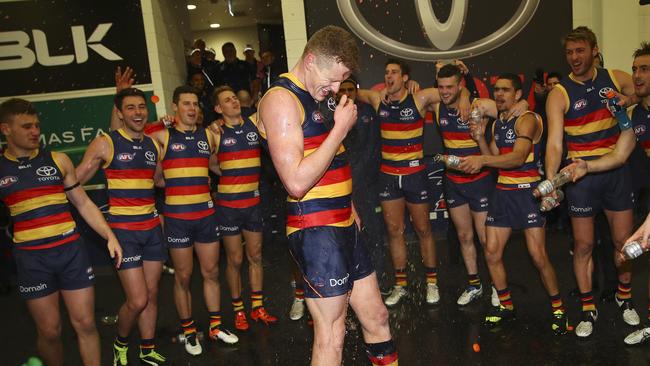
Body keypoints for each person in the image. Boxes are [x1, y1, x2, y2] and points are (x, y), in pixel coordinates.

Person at [257, 25, 397, 366]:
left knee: (377, 317)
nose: (336, 88)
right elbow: (295, 181)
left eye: (343, 79)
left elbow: (327, 159)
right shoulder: (281, 100)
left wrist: (349, 204)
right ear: (310, 60)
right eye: (333, 79)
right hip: (316, 230)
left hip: (345, 224)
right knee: (332, 334)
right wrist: (339, 129)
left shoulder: (316, 97)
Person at [111, 85, 239, 355]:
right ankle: (190, 331)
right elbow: (125, 139)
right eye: (186, 104)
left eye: (195, 104)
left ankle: (215, 326)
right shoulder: (160, 137)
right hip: (178, 219)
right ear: (175, 108)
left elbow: (215, 164)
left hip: (206, 215)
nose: (192, 109)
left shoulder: (209, 136)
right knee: (183, 276)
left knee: (211, 272)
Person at [0, 98, 122, 366]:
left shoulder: (58, 160)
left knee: (86, 324)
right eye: (26, 126)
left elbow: (83, 203)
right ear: (6, 130)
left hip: (71, 252)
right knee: (50, 332)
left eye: (37, 125)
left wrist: (109, 235)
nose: (35, 131)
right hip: (32, 259)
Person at [545, 26, 639, 338]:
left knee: (622, 243)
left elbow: (643, 87)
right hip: (581, 175)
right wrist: (551, 181)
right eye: (570, 52)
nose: (574, 58)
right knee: (584, 244)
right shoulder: (560, 93)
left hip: (614, 171)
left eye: (580, 51)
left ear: (594, 50)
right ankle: (588, 307)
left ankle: (624, 298)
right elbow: (555, 144)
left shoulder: (614, 76)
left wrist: (626, 100)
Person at [356, 58, 470, 307]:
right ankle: (401, 285)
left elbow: (453, 91)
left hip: (415, 174)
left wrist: (464, 99)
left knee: (423, 230)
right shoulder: (378, 99)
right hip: (388, 175)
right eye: (386, 73)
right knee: (395, 232)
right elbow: (355, 92)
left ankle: (431, 283)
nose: (389, 76)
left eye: (394, 72)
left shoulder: (419, 98)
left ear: (405, 78)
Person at [459, 74, 568, 333]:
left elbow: (518, 158)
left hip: (526, 193)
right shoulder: (499, 124)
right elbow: (496, 157)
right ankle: (505, 305)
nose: (499, 94)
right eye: (497, 90)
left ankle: (559, 309)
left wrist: (482, 161)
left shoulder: (527, 119)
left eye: (506, 90)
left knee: (538, 256)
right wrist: (481, 141)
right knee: (492, 252)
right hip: (503, 193)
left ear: (518, 94)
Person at [76, 88, 167, 365]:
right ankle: (121, 342)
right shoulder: (106, 143)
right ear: (119, 113)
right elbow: (75, 179)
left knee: (151, 295)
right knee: (137, 300)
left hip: (152, 229)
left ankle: (147, 348)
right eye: (130, 108)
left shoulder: (153, 144)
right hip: (123, 233)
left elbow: (160, 181)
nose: (138, 112)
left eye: (141, 107)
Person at [211, 85, 278, 331]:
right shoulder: (215, 133)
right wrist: (228, 175)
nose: (234, 102)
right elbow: (209, 162)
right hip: (228, 206)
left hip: (253, 203)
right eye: (227, 100)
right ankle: (239, 309)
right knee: (235, 259)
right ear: (218, 108)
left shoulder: (252, 123)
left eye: (235, 98)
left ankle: (257, 307)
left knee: (256, 256)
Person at [435, 64, 495, 306]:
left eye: (450, 87)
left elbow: (513, 109)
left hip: (479, 181)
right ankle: (474, 285)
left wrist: (469, 96)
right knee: (463, 235)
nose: (445, 92)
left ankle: (497, 287)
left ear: (460, 85)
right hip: (453, 182)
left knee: (485, 239)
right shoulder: (435, 103)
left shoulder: (478, 105)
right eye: (441, 87)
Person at [337, 77, 386, 288]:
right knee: (346, 238)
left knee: (374, 234)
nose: (347, 93)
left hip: (367, 186)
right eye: (342, 90)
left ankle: (380, 281)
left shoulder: (368, 112)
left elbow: (372, 151)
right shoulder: (332, 117)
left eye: (351, 89)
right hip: (342, 188)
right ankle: (350, 285)